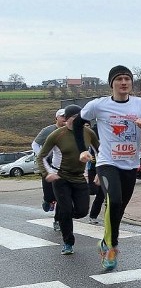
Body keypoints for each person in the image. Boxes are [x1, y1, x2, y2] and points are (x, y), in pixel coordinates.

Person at [74, 65, 141, 270]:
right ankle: (112, 247)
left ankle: (105, 242)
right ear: (112, 84)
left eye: (127, 79)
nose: (124, 82)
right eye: (119, 79)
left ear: (131, 83)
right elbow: (78, 124)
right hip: (107, 163)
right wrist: (82, 150)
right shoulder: (98, 105)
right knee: (113, 200)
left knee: (119, 208)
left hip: (131, 165)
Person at [36, 105, 100, 255]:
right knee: (65, 209)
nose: (80, 119)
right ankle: (68, 243)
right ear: (67, 119)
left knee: (82, 211)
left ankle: (64, 215)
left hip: (79, 177)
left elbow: (100, 152)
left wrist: (99, 172)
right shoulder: (57, 135)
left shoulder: (88, 133)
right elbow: (41, 157)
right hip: (61, 177)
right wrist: (48, 173)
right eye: (75, 117)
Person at [32, 109, 65, 219]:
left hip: (63, 168)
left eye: (66, 116)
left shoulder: (71, 130)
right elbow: (35, 144)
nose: (65, 118)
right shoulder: (48, 130)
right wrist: (42, 157)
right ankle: (47, 200)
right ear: (56, 118)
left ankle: (58, 219)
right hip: (48, 166)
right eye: (62, 116)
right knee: (50, 195)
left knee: (61, 195)